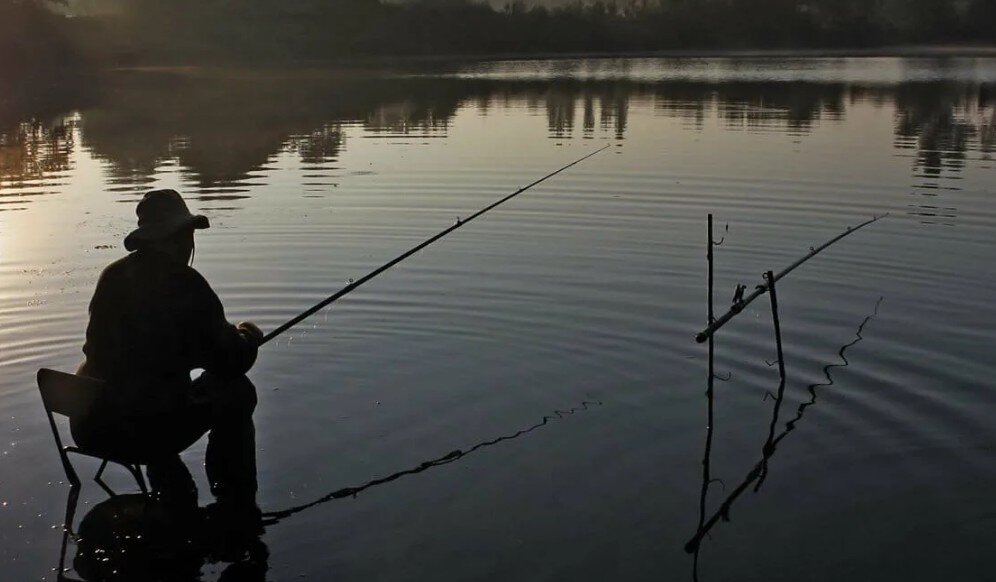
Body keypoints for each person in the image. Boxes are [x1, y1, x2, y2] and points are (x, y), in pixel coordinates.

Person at [73, 189, 264, 507]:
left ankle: (171, 486)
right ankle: (234, 502)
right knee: (238, 391)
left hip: (91, 426)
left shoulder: (112, 275)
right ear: (181, 236)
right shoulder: (185, 284)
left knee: (152, 388)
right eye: (188, 233)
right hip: (141, 433)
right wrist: (249, 335)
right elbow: (230, 361)